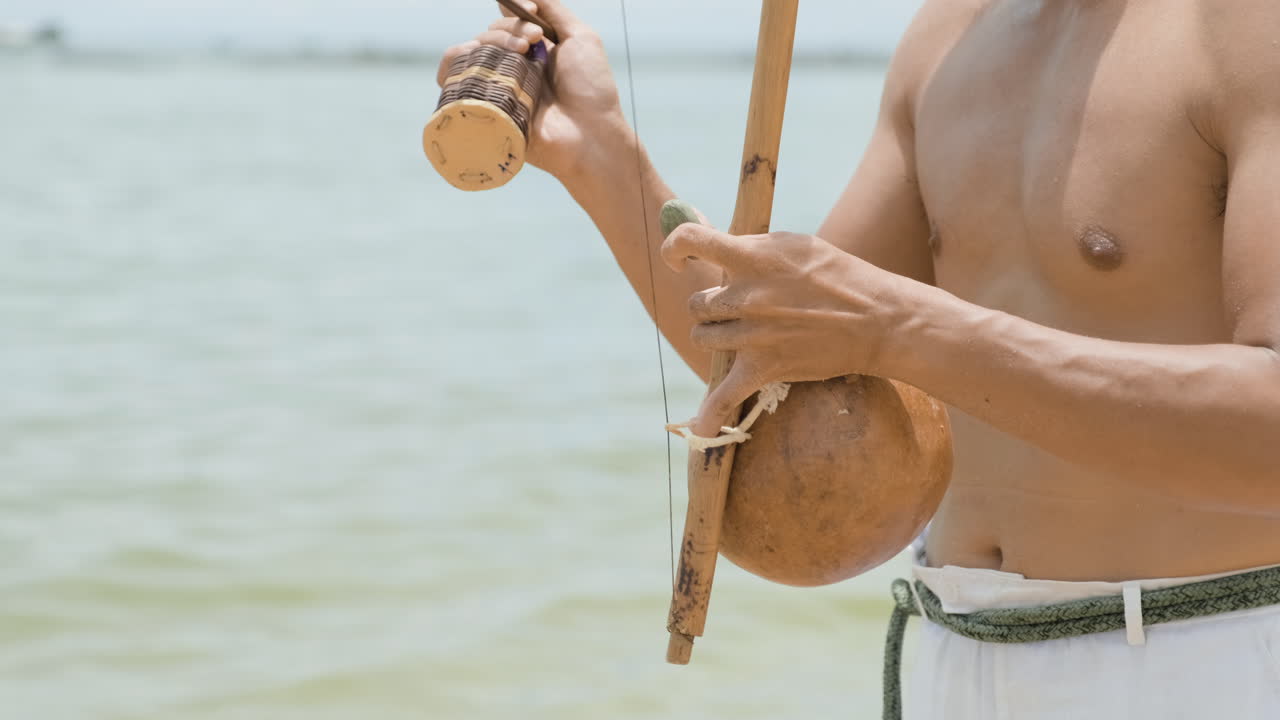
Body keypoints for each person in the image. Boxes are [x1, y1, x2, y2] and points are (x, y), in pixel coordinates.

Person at [439, 1, 1280, 717]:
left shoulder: (1247, 28)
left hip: (1205, 652)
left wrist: (899, 327)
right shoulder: (950, 35)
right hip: (950, 652)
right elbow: (789, 362)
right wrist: (599, 151)